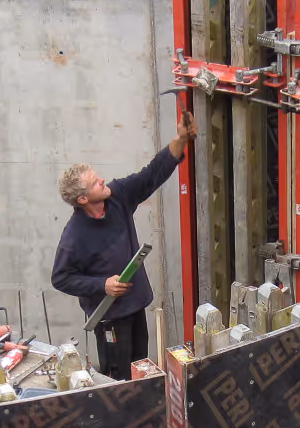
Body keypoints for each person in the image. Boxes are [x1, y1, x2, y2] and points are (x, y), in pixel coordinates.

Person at [52, 111, 197, 377]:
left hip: (134, 305)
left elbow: (152, 174)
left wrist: (181, 139)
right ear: (83, 200)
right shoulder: (74, 236)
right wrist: (101, 285)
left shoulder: (117, 196)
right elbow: (61, 278)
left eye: (98, 176)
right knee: (117, 377)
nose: (102, 180)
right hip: (109, 316)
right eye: (95, 183)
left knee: (140, 367)